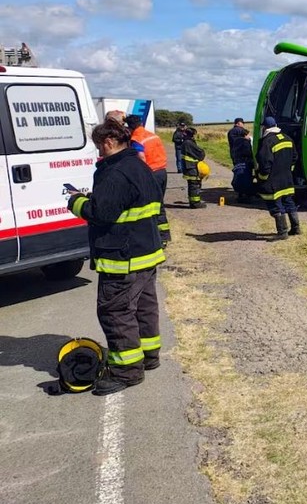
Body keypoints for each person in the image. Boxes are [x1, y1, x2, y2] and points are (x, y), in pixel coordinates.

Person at [67, 119, 165, 395]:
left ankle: (126, 371)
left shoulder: (115, 173)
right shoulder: (138, 165)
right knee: (144, 307)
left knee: (116, 312)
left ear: (109, 143)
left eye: (99, 146)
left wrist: (76, 201)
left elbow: (101, 214)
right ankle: (149, 357)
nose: (98, 152)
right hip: (146, 252)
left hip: (123, 258)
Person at [125, 114, 171, 246]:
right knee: (159, 204)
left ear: (129, 127)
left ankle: (159, 238)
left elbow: (141, 157)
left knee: (152, 206)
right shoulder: (152, 135)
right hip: (162, 171)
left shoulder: (136, 139)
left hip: (151, 174)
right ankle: (163, 236)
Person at [256, 116, 301, 238]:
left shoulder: (267, 142)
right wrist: (288, 171)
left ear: (265, 127)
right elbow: (294, 157)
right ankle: (296, 228)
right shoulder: (287, 138)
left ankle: (282, 232)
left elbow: (265, 163)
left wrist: (262, 177)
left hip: (273, 181)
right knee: (289, 202)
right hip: (287, 179)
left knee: (275, 205)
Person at [228, 118, 256, 203]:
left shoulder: (233, 133)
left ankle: (242, 193)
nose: (243, 125)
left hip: (236, 157)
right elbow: (244, 132)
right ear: (238, 123)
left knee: (239, 173)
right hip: (243, 158)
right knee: (245, 175)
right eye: (242, 123)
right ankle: (246, 194)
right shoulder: (236, 132)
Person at [180, 127, 207, 208]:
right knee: (194, 185)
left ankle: (193, 202)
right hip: (191, 167)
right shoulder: (188, 143)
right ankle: (195, 203)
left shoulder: (185, 142)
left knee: (192, 185)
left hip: (189, 167)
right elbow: (200, 153)